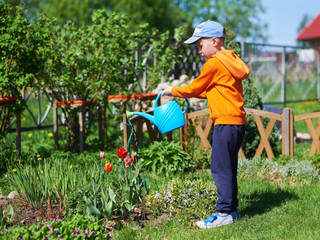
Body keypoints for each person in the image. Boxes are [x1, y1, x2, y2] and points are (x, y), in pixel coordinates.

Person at [162, 20, 250, 228]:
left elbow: (195, 87)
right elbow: (213, 88)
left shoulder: (213, 63)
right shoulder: (230, 60)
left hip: (224, 122)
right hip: (236, 121)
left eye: (200, 46)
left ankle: (223, 212)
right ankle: (232, 210)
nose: (199, 51)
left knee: (219, 167)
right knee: (228, 167)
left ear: (214, 40)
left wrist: (172, 91)